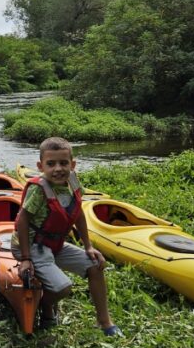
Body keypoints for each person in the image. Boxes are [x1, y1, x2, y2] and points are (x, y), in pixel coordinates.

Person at [12, 137, 122, 337]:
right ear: (40, 166)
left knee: (96, 265)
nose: (58, 169)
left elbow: (77, 212)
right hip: (31, 245)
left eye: (63, 163)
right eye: (51, 164)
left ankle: (104, 322)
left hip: (55, 244)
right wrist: (26, 258)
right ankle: (45, 308)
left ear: (72, 164)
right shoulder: (38, 189)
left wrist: (88, 246)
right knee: (62, 287)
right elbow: (22, 221)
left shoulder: (72, 181)